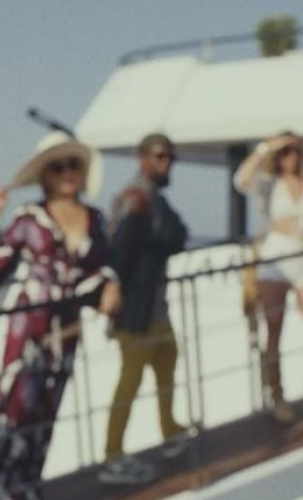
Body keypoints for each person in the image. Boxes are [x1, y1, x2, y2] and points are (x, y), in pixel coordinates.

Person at [0, 131, 119, 500]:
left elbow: (102, 265)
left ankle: (26, 488)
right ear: (45, 176)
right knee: (13, 412)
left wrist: (110, 284)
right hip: (29, 330)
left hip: (67, 333)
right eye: (58, 167)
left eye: (73, 165)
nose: (67, 172)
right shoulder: (29, 218)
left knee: (46, 417)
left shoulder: (95, 218)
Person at [98, 133, 192, 486]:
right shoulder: (134, 198)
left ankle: (170, 431)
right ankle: (112, 454)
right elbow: (119, 252)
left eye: (169, 158)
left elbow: (177, 236)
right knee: (130, 380)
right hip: (136, 310)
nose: (166, 164)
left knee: (167, 361)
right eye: (159, 157)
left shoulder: (153, 199)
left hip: (154, 308)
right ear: (143, 158)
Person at [233, 132, 303, 423]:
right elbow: (241, 180)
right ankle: (277, 395)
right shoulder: (269, 185)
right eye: (284, 152)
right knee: (274, 331)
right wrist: (265, 147)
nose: (290, 157)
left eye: (293, 151)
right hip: (275, 265)